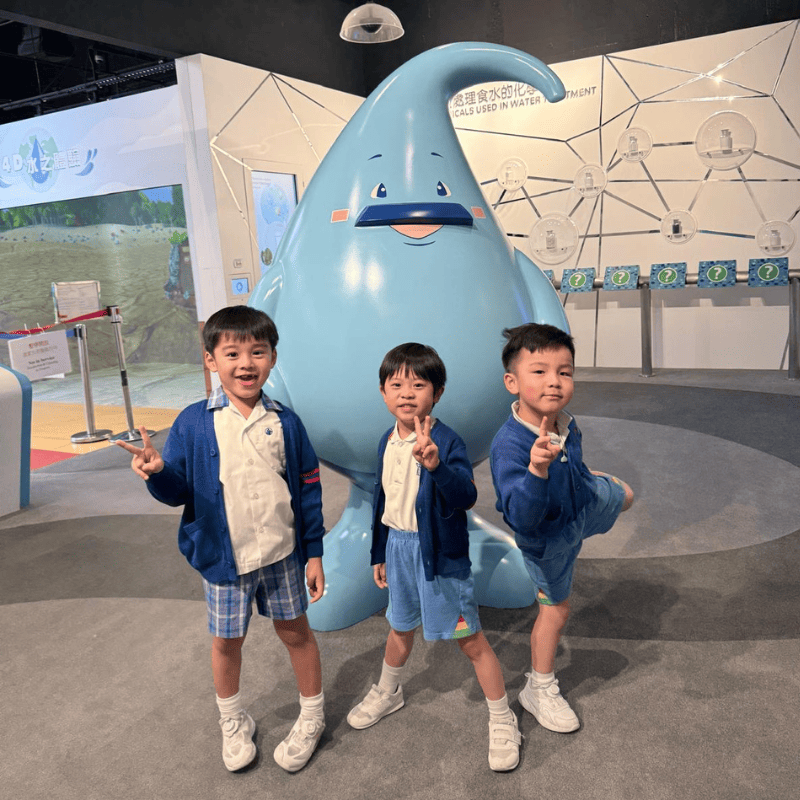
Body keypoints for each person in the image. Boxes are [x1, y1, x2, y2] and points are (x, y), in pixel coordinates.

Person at [117, 306, 326, 774]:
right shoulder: (193, 423)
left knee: (296, 632)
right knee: (227, 641)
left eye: (258, 352)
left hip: (282, 555)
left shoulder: (286, 423)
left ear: (273, 358)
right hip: (223, 559)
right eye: (232, 353)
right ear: (211, 360)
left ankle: (312, 714)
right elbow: (177, 491)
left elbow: (308, 490)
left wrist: (313, 552)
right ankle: (232, 719)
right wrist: (158, 473)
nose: (245, 363)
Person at [347, 343, 522, 772]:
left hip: (439, 555)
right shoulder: (386, 441)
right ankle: (388, 692)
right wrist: (379, 552)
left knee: (470, 638)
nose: (406, 393)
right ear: (383, 393)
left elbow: (466, 497)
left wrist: (436, 466)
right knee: (399, 626)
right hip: (398, 549)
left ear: (437, 393)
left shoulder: (446, 440)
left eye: (418, 384)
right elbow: (383, 503)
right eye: (396, 385)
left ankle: (503, 717)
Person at [490, 323, 634, 734]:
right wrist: (537, 470)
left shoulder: (565, 423)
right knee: (556, 610)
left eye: (564, 371)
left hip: (579, 506)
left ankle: (593, 486)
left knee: (626, 494)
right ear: (512, 382)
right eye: (539, 371)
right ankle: (539, 688)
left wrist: (583, 477)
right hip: (547, 536)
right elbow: (522, 517)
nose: (554, 381)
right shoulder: (510, 446)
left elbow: (577, 458)